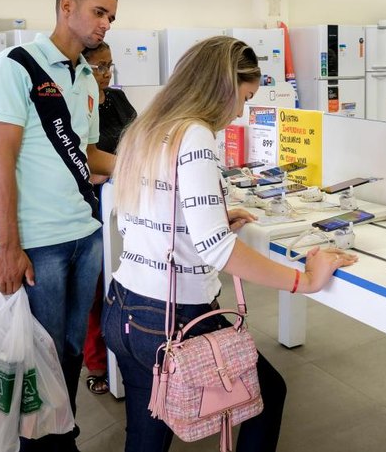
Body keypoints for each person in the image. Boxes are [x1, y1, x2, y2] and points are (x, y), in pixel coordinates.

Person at [103, 35, 357, 452]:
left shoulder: (145, 129)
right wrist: (304, 280)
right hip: (172, 316)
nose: (240, 112)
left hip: (124, 307)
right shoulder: (196, 135)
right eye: (243, 98)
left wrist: (209, 221)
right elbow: (217, 251)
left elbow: (146, 215)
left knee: (146, 430)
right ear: (221, 86)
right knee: (267, 394)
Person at [0, 0, 118, 451]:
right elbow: (1, 160)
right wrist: (8, 247)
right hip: (40, 241)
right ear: (67, 7)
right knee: (37, 355)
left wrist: (144, 164)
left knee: (67, 352)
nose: (106, 24)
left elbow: (89, 154)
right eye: (99, 12)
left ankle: (62, 436)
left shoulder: (87, 77)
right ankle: (36, 444)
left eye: (111, 18)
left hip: (87, 232)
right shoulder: (16, 65)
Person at [83, 41, 137, 395]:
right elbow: (79, 159)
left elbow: (139, 136)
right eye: (98, 67)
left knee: (124, 279)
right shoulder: (76, 103)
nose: (105, 74)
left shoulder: (116, 99)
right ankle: (98, 362)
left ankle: (126, 354)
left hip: (126, 199)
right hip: (91, 205)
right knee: (98, 285)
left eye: (109, 66)